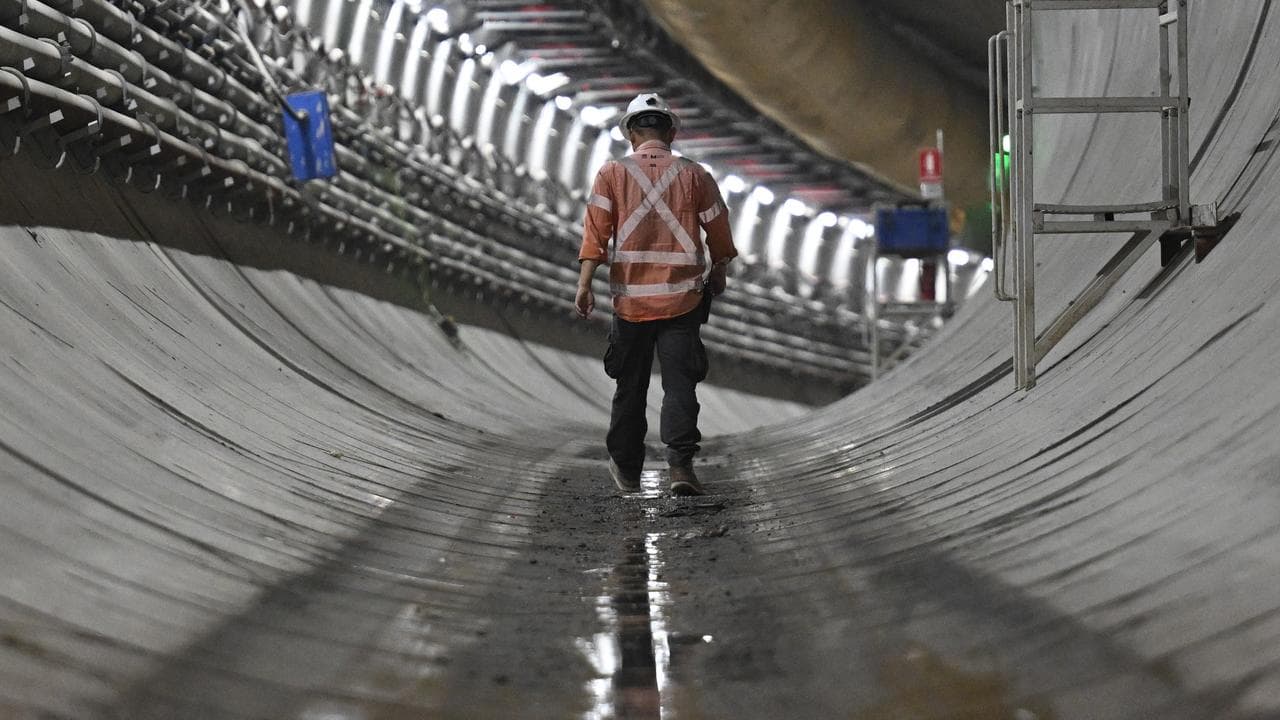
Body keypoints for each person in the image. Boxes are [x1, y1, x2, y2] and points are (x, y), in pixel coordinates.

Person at [575, 93, 737, 496]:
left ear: (631, 133)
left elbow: (596, 233)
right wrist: (719, 269)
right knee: (679, 385)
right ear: (671, 131)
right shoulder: (694, 175)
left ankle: (628, 472)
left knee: (631, 387)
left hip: (631, 303)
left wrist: (584, 283)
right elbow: (718, 228)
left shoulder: (612, 173)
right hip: (683, 300)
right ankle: (681, 469)